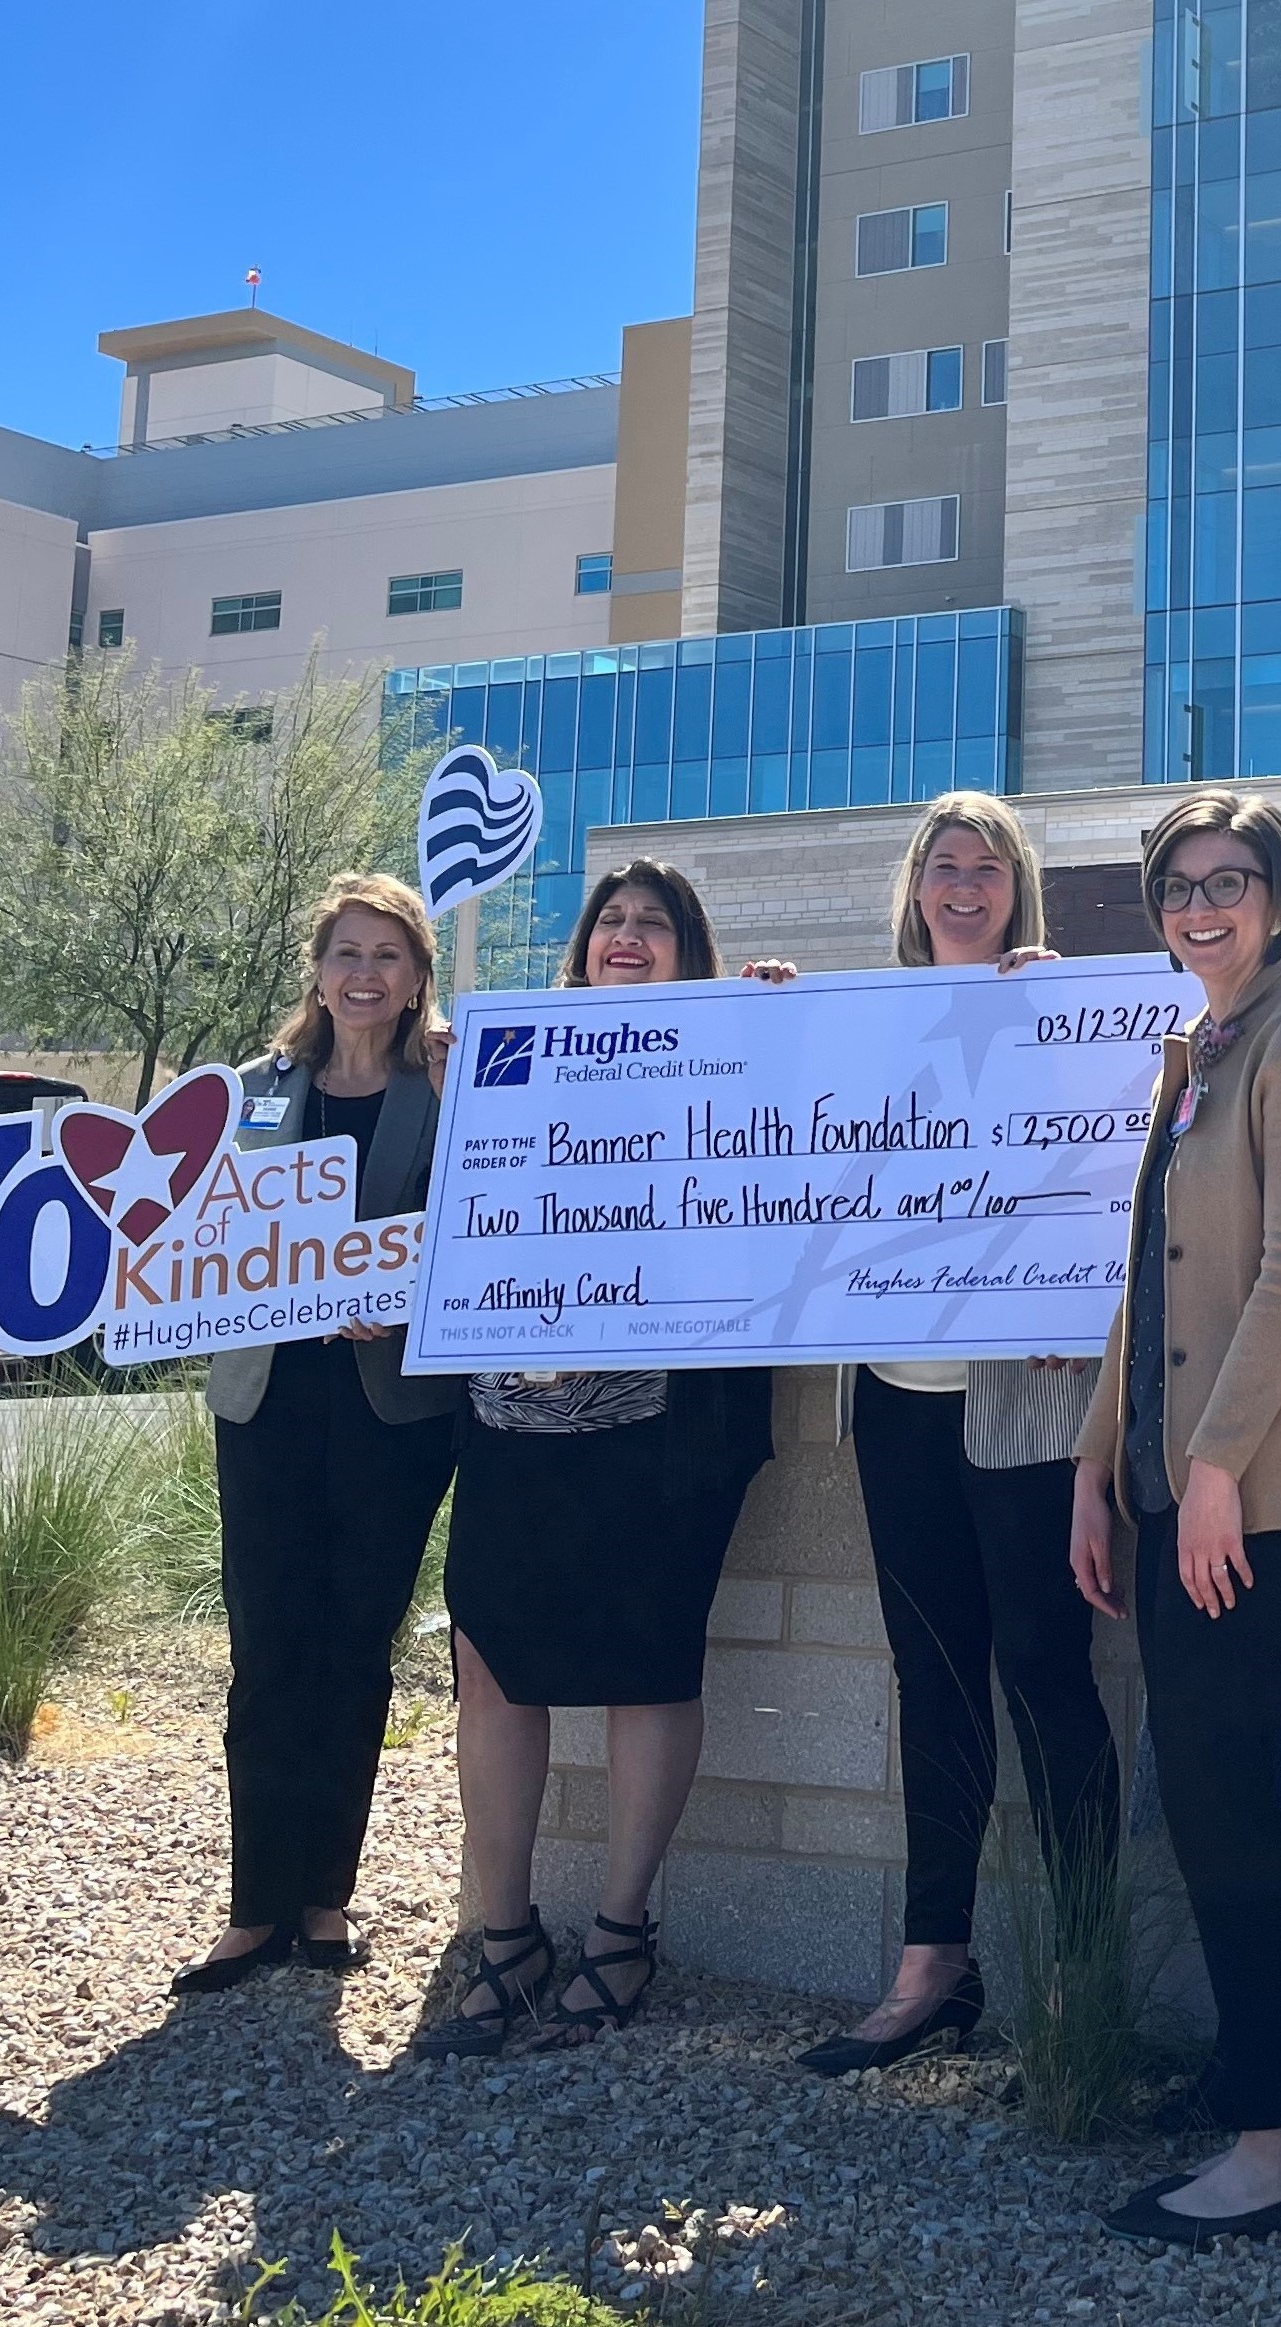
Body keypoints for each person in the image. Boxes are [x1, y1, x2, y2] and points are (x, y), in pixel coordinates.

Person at [1070, 791, 1281, 2250]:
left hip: (1263, 1493)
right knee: (1221, 1804)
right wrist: (1097, 1464)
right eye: (1177, 887)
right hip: (1181, 1486)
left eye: (1227, 881)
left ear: (1274, 897)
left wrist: (1210, 1472)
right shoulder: (1201, 1050)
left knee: (1234, 1812)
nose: (1199, 907)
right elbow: (1149, 1281)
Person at [426, 859, 792, 2054]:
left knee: (648, 1666)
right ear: (582, 946)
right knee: (492, 1666)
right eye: (611, 921)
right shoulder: (506, 1053)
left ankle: (622, 1929)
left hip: (661, 1426)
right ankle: (505, 1935)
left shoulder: (733, 1047)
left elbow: (804, 1152)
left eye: (654, 923)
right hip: (509, 1418)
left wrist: (779, 1026)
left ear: (690, 949)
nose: (627, 936)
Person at [802, 792, 1123, 2076]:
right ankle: (932, 1962)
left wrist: (1073, 1305)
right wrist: (756, 1022)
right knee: (930, 1675)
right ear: (914, 885)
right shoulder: (862, 1016)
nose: (964, 884)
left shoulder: (1067, 1009)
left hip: (1025, 1400)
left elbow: (1111, 1178)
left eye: (988, 865)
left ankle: (1083, 1973)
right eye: (944, 864)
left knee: (1046, 1672)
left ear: (1016, 884)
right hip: (896, 1394)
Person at [179, 873, 461, 1994]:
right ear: (319, 967)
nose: (365, 973)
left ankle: (324, 1896)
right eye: (349, 951)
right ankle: (254, 1906)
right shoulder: (251, 1090)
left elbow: (483, 1231)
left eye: (388, 954)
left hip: (393, 1409)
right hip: (266, 1401)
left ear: (418, 974)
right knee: (268, 1645)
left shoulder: (446, 1090)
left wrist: (399, 1291)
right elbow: (196, 1230)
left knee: (353, 1645)